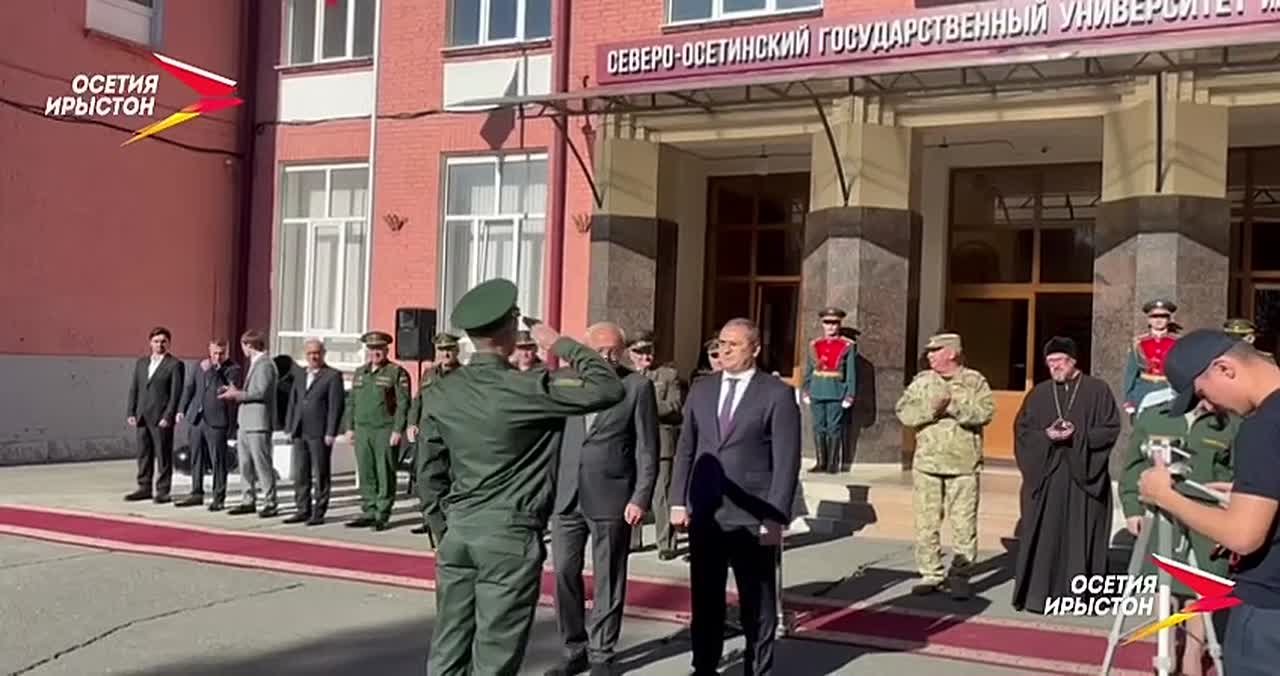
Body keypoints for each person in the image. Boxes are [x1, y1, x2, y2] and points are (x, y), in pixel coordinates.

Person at [419, 278, 625, 675]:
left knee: (446, 653)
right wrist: (560, 343)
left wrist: (441, 527)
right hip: (508, 536)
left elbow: (429, 469)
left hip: (458, 532)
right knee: (494, 658)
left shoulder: (441, 391)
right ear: (511, 329)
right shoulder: (527, 388)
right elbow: (607, 386)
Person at [1138, 330, 1280, 676]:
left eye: (1203, 392)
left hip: (1268, 612)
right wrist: (1247, 492)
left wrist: (1165, 496)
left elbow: (1243, 535)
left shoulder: (1263, 425)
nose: (1210, 404)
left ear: (1224, 369)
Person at [670, 317, 802, 676]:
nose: (724, 351)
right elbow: (686, 448)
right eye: (721, 344)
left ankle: (757, 669)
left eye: (734, 345)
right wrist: (677, 501)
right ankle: (705, 666)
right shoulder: (702, 389)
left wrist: (775, 520)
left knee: (756, 603)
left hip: (754, 515)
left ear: (755, 349)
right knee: (706, 598)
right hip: (707, 511)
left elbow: (786, 462)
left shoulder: (776, 393)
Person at [548, 322, 659, 676]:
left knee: (609, 575)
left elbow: (647, 448)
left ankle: (601, 653)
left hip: (612, 494)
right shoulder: (566, 381)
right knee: (564, 571)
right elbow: (554, 437)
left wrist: (641, 496)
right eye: (601, 351)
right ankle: (573, 647)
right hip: (566, 495)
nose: (609, 358)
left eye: (614, 351)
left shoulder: (636, 386)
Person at [1120, 396, 1239, 676]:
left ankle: (1193, 655)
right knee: (1168, 588)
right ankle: (1168, 647)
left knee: (1203, 588)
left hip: (1209, 518)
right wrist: (1132, 508)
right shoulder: (1154, 416)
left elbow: (1241, 472)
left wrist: (1234, 516)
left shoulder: (1232, 423)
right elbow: (1133, 466)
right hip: (1163, 519)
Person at [1012, 336, 1121, 614]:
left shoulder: (1097, 390)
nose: (1054, 367)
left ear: (1073, 361)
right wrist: (1047, 436)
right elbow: (1023, 432)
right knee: (1045, 537)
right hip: (1048, 477)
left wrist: (1078, 435)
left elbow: (1110, 429)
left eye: (1059, 361)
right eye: (1050, 363)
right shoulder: (1039, 393)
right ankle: (1039, 596)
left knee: (1080, 535)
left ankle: (1080, 598)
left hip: (1084, 477)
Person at [894, 332, 995, 599]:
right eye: (929, 351)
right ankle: (931, 574)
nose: (929, 355)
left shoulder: (974, 381)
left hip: (963, 465)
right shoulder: (923, 381)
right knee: (926, 522)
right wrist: (931, 410)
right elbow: (904, 413)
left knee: (964, 524)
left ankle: (961, 576)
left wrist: (954, 408)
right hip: (927, 463)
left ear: (951, 352)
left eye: (935, 350)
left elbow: (986, 413)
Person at [340, 331, 410, 532]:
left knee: (384, 471)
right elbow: (351, 402)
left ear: (386, 350)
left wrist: (398, 429)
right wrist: (349, 428)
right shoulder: (360, 372)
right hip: (363, 430)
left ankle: (382, 513)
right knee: (366, 471)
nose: (374, 353)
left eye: (379, 349)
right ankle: (369, 510)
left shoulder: (396, 372)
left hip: (384, 430)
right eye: (371, 349)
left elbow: (403, 404)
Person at [626, 330, 685, 559]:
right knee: (633, 490)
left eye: (649, 350)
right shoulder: (626, 376)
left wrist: (645, 406)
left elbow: (675, 406)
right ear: (630, 353)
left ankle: (666, 543)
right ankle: (632, 539)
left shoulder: (667, 375)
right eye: (640, 352)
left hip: (661, 441)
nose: (646, 356)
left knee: (662, 495)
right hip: (633, 441)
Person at [406, 332, 463, 543]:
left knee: (453, 485)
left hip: (455, 439)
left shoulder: (466, 376)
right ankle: (438, 533)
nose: (446, 353)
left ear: (457, 351)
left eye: (450, 349)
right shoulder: (429, 375)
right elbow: (417, 401)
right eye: (441, 350)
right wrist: (412, 423)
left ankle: (452, 533)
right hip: (429, 439)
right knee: (426, 484)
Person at [217, 330, 280, 517]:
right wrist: (234, 390)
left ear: (249, 345)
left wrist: (236, 395)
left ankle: (270, 501)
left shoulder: (265, 365)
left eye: (243, 346)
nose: (242, 350)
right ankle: (248, 499)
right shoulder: (254, 364)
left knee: (262, 464)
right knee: (244, 464)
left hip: (258, 423)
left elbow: (261, 392)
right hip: (245, 422)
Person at [282, 338, 345, 526]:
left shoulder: (332, 376)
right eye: (310, 353)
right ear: (305, 355)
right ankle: (302, 508)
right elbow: (293, 402)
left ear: (323, 354)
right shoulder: (300, 374)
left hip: (320, 431)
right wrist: (289, 427)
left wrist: (331, 431)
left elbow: (336, 406)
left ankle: (319, 511)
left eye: (317, 353)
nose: (313, 357)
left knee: (321, 472)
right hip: (300, 430)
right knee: (301, 472)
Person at [175, 339, 242, 510]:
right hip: (197, 418)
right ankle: (196, 492)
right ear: (209, 351)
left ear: (226, 352)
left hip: (216, 420)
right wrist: (182, 409)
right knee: (196, 456)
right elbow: (189, 388)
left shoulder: (232, 369)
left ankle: (218, 497)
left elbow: (226, 388)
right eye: (214, 353)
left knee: (217, 459)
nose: (217, 357)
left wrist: (214, 370)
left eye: (221, 353)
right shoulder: (200, 365)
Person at [125, 326, 186, 503]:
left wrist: (168, 416)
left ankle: (163, 490)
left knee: (163, 454)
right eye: (156, 341)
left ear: (169, 343)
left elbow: (176, 394)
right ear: (150, 343)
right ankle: (144, 487)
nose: (159, 345)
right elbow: (134, 388)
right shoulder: (142, 363)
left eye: (163, 342)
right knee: (144, 454)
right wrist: (131, 411)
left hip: (161, 418)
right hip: (142, 416)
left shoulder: (174, 365)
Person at [801, 307, 858, 474]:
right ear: (822, 324)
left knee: (834, 427)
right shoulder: (814, 344)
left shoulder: (847, 345)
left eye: (834, 323)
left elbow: (851, 373)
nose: (831, 327)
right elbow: (809, 369)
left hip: (835, 391)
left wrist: (850, 394)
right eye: (827, 323)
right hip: (817, 389)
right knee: (818, 426)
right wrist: (805, 389)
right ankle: (821, 462)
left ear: (839, 325)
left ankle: (833, 463)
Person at [1123, 299, 1180, 418]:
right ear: (1149, 319)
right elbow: (1131, 373)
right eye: (1154, 316)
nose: (1158, 320)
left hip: (1168, 389)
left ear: (1169, 319)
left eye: (1163, 316)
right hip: (1143, 391)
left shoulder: (1178, 342)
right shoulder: (1138, 343)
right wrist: (1129, 399)